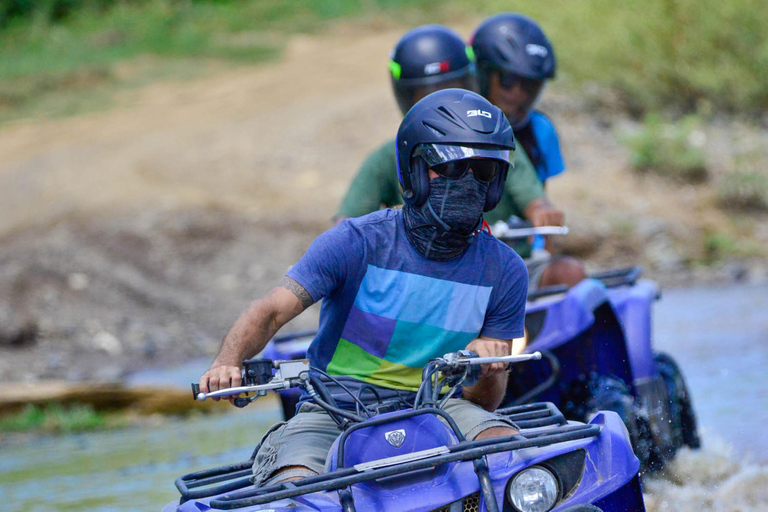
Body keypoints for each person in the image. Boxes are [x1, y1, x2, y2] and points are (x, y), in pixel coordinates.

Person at [200, 89, 528, 487]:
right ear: (414, 170)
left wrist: (488, 367)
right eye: (452, 168)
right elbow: (270, 312)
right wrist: (226, 363)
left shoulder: (506, 269)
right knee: (295, 489)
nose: (468, 182)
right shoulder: (355, 242)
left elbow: (486, 403)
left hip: (439, 409)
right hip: (331, 413)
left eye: (484, 171)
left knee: (514, 458)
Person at [336, 23, 582, 289]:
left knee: (570, 273)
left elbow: (533, 197)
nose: (443, 107)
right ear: (407, 98)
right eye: (427, 97)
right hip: (426, 277)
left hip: (505, 269)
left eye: (452, 93)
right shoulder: (386, 157)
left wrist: (542, 211)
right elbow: (346, 224)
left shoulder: (499, 142)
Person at [471, 12, 564, 187]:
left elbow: (538, 195)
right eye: (508, 80)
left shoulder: (540, 129)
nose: (518, 93)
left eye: (530, 85)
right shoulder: (455, 127)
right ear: (482, 74)